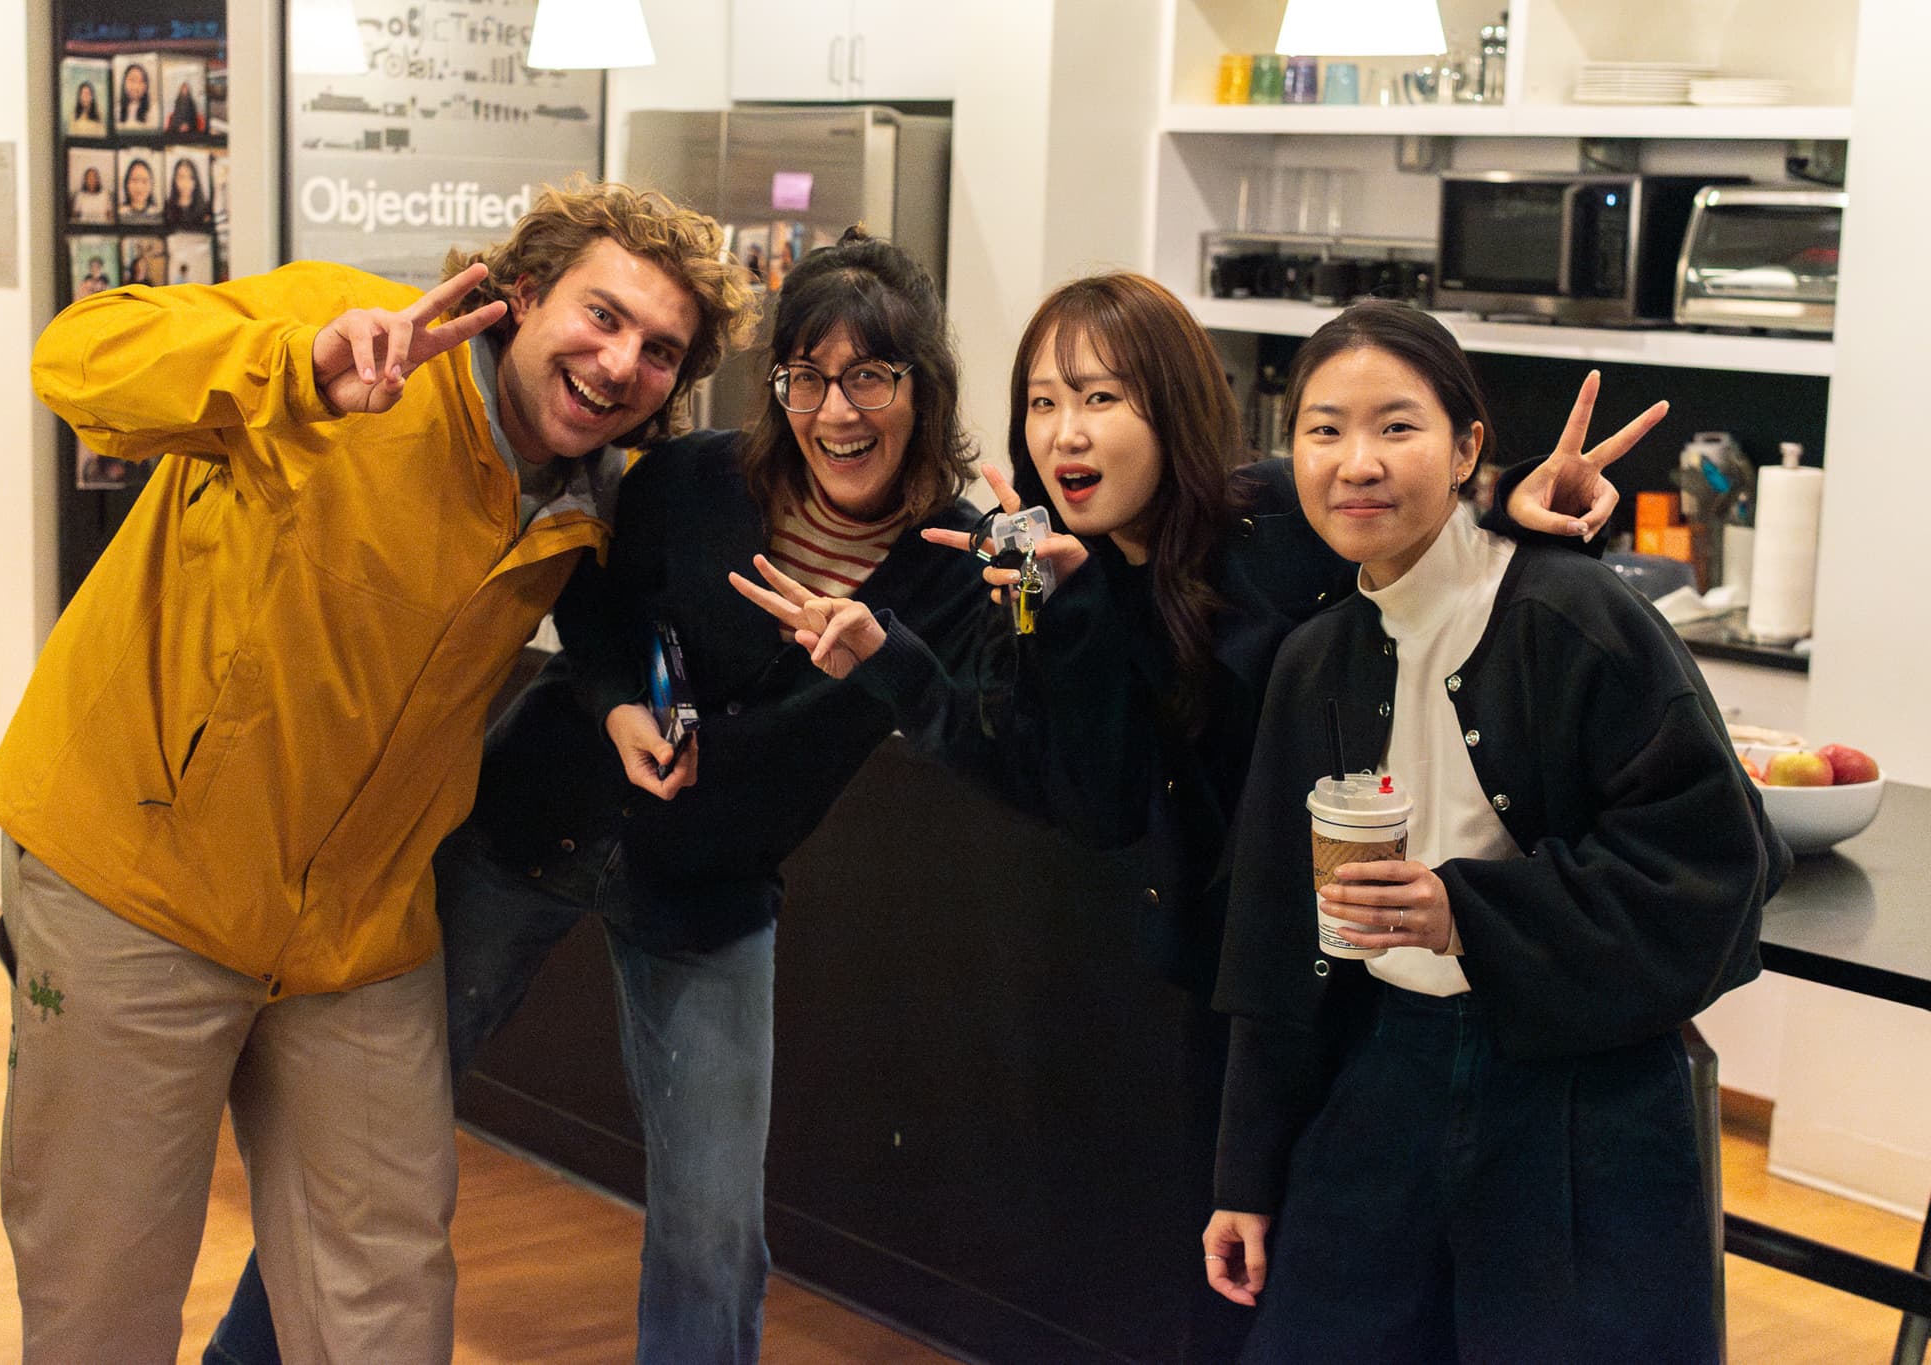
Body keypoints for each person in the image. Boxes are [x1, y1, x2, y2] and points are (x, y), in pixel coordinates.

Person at [736, 272, 1646, 1362]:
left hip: (1403, 987)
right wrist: (946, 647)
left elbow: (1419, 569)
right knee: (1245, 1304)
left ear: (1170, 406)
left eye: (1101, 399)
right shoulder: (1054, 577)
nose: (1065, 433)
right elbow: (1089, 797)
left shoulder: (1274, 521)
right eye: (1041, 402)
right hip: (1248, 1003)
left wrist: (1500, 513)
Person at [0, 179, 754, 1364]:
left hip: (357, 935)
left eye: (659, 351)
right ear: (524, 291)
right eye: (601, 317)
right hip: (137, 888)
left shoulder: (589, 500)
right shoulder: (347, 331)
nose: (619, 365)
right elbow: (79, 359)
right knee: (103, 1304)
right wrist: (292, 369)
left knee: (387, 1300)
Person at [204, 227, 991, 1365]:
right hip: (529, 819)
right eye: (807, 375)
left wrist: (910, 646)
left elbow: (968, 729)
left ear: (922, 386)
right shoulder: (696, 478)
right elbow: (595, 600)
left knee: (712, 1223)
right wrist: (621, 702)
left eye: (871, 374)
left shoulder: (954, 558)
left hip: (708, 892)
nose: (837, 410)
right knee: (365, 1153)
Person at [1199, 300, 1787, 1361]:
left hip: (1583, 1098)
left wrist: (1462, 911)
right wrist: (1244, 1175)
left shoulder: (1576, 619)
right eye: (1323, 430)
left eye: (1397, 426)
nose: (1356, 463)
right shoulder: (1313, 660)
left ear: (1469, 446)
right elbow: (1273, 945)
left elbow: (1717, 871)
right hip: (1386, 1070)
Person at [164, 156, 210, 230]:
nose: (186, 183)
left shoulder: (206, 208)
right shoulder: (166, 207)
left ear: (196, 181)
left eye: (191, 177)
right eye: (181, 177)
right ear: (174, 180)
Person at [119, 156, 158, 222]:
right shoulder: (119, 214)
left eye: (144, 181)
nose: (139, 187)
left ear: (151, 185)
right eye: (134, 180)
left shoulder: (159, 215)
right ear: (126, 184)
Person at [118, 60, 152, 128]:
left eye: (141, 81)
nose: (136, 86)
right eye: (132, 80)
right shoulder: (116, 110)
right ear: (124, 82)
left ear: (146, 86)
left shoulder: (153, 111)